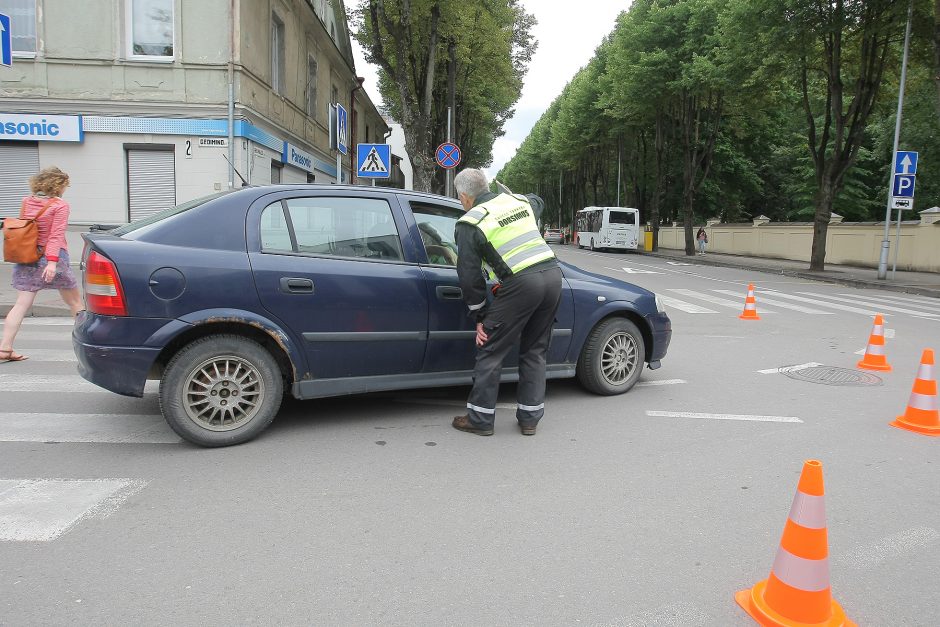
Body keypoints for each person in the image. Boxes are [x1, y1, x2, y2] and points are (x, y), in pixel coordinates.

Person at [451, 168, 563, 436]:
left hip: (522, 285)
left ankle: (479, 419)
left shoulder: (471, 222)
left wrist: (480, 316)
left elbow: (469, 276)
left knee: (490, 349)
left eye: (460, 198)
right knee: (535, 350)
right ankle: (529, 419)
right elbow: (538, 201)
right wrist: (512, 194)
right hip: (553, 277)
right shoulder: (519, 202)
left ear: (465, 196)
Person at [1, 167, 82, 363]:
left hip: (28, 256)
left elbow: (24, 226)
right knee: (75, 303)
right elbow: (55, 235)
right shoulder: (60, 206)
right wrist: (52, 263)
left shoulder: (26, 201)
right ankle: (90, 344)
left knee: (21, 304)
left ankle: (4, 348)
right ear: (58, 185)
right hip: (51, 257)